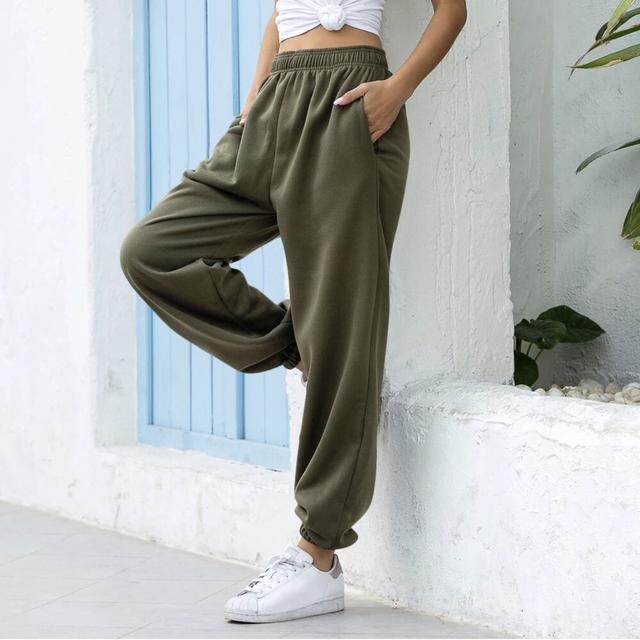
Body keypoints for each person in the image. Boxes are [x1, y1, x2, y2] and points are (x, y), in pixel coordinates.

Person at [119, 0, 467, 624]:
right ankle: (294, 341)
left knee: (342, 322)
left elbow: (452, 10)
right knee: (151, 252)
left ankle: (318, 555)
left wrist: (397, 90)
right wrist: (253, 102)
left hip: (350, 103)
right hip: (274, 103)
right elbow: (281, 12)